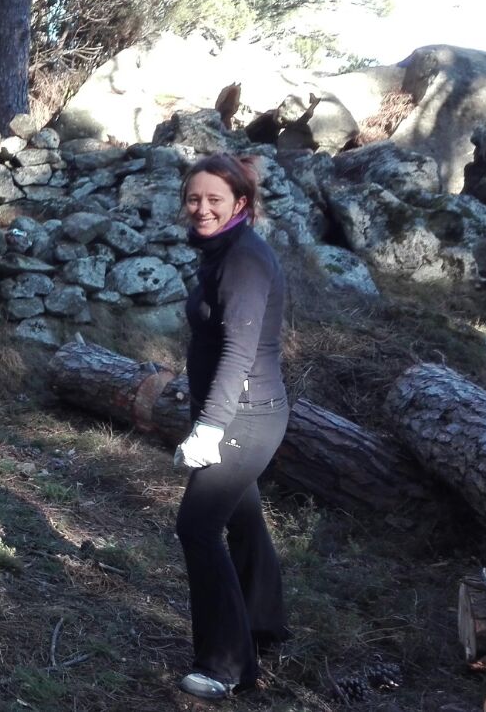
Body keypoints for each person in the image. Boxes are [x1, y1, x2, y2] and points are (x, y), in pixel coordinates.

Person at [172, 153, 290, 701]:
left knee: (197, 527)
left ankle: (226, 666)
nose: (202, 208)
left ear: (240, 203)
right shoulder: (223, 251)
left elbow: (241, 350)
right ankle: (263, 620)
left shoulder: (243, 259)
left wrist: (210, 428)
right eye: (194, 198)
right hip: (236, 414)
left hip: (245, 417)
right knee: (242, 517)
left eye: (214, 199)